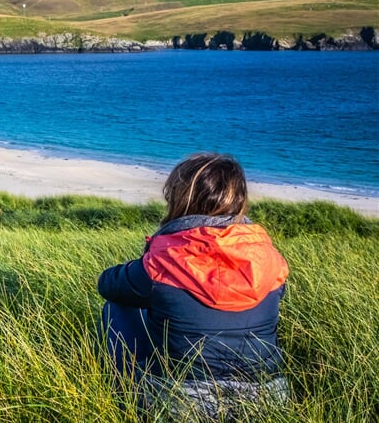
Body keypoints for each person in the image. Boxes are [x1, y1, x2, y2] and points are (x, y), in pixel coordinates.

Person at [98, 152, 290, 420]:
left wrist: (149, 255)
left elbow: (107, 284)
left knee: (117, 307)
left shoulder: (162, 263)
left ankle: (120, 396)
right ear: (240, 200)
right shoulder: (271, 260)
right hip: (267, 399)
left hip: (181, 402)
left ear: (179, 198)